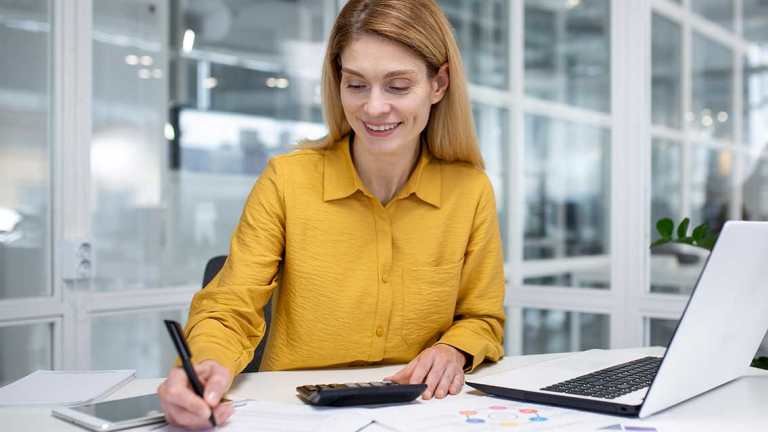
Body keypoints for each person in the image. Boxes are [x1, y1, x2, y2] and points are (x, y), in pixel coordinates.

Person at [157, 0, 506, 428]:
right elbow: (228, 310)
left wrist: (454, 349)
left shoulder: (469, 191)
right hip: (298, 415)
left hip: (423, 414)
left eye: (397, 86)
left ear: (439, 84)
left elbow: (482, 317)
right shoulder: (287, 181)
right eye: (356, 85)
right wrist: (206, 364)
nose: (374, 108)